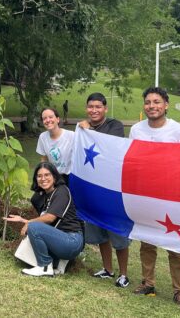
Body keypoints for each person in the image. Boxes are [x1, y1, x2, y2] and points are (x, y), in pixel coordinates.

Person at [128, 87, 180, 307]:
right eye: (148, 102)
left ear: (166, 104)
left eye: (157, 102)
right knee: (146, 242)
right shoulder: (136, 130)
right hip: (145, 195)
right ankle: (148, 282)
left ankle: (179, 290)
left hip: (172, 197)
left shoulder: (179, 131)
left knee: (175, 244)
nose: (152, 106)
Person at [77, 92, 130, 288]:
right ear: (86, 108)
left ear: (105, 108)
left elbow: (110, 147)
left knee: (118, 232)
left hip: (114, 189)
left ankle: (124, 274)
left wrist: (89, 129)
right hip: (93, 188)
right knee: (99, 230)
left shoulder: (115, 125)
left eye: (98, 107)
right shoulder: (83, 128)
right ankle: (108, 269)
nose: (94, 110)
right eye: (90, 107)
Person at [4, 162, 84, 277]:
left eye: (47, 175)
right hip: (60, 239)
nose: (43, 178)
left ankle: (45, 267)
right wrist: (24, 221)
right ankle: (59, 262)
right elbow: (43, 221)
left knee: (33, 227)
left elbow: (50, 218)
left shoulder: (62, 191)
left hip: (72, 241)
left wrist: (29, 223)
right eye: (39, 176)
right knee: (24, 248)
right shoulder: (41, 197)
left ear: (55, 176)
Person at [36, 107, 74, 183]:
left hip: (70, 177)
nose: (48, 120)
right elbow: (44, 159)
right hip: (53, 177)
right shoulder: (42, 137)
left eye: (51, 117)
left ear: (57, 119)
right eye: (44, 118)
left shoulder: (71, 135)